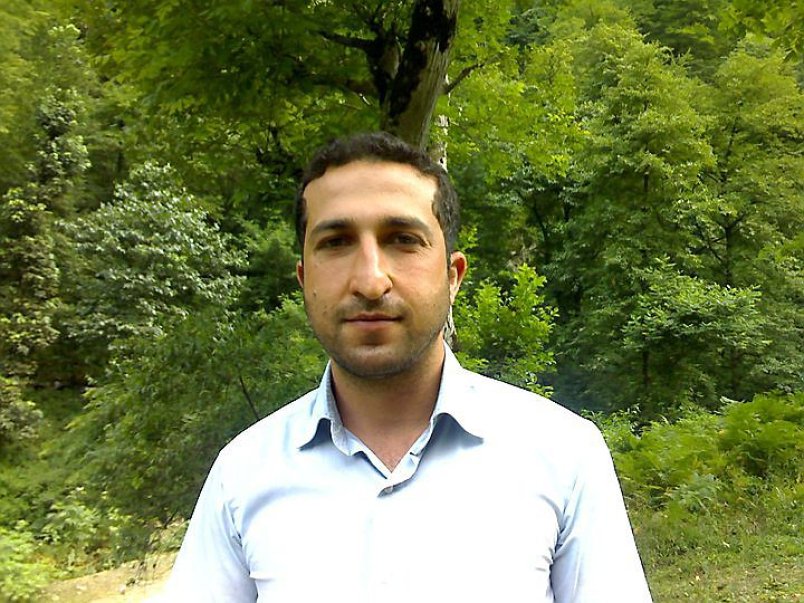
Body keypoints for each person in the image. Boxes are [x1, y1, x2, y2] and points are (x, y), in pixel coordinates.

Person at [165, 132, 652, 602]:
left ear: (453, 276)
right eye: (336, 242)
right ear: (303, 278)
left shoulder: (564, 455)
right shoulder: (241, 475)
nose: (370, 281)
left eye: (402, 239)